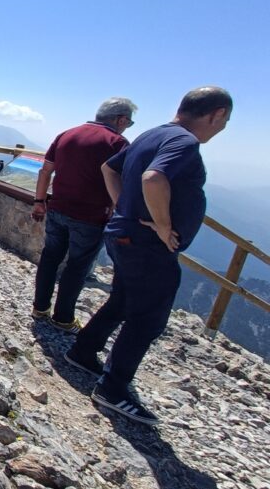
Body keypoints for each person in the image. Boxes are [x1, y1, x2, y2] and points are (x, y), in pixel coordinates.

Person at [64, 86, 232, 425]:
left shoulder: (150, 135)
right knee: (149, 318)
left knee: (123, 300)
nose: (223, 127)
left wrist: (124, 206)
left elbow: (109, 170)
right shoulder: (184, 142)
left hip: (124, 234)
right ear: (215, 115)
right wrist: (162, 224)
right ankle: (112, 388)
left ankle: (83, 350)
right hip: (146, 244)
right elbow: (154, 178)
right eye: (224, 120)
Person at [31, 97, 137, 333]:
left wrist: (39, 201)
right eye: (128, 122)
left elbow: (46, 170)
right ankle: (63, 318)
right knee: (77, 267)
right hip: (90, 216)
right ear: (120, 119)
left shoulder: (66, 134)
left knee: (50, 258)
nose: (127, 127)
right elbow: (123, 181)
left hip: (57, 208)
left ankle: (39, 308)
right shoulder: (118, 143)